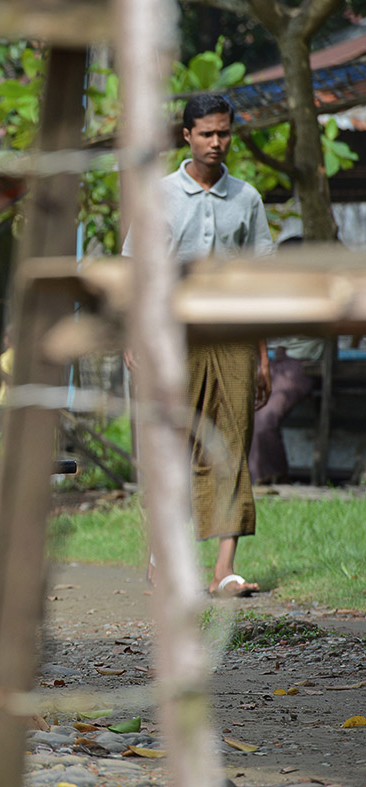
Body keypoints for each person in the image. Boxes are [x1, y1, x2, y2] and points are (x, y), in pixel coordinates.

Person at [124, 94, 273, 597]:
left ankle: (224, 570)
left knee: (233, 445)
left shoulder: (247, 198)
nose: (217, 142)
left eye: (224, 133)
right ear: (186, 135)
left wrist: (262, 355)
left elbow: (258, 283)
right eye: (207, 133)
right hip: (171, 334)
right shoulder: (158, 196)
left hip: (232, 335)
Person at [250, 236, 323, 485]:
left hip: (300, 364)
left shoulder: (315, 290)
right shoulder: (281, 289)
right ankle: (254, 477)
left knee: (265, 416)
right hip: (276, 360)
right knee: (247, 411)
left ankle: (274, 479)